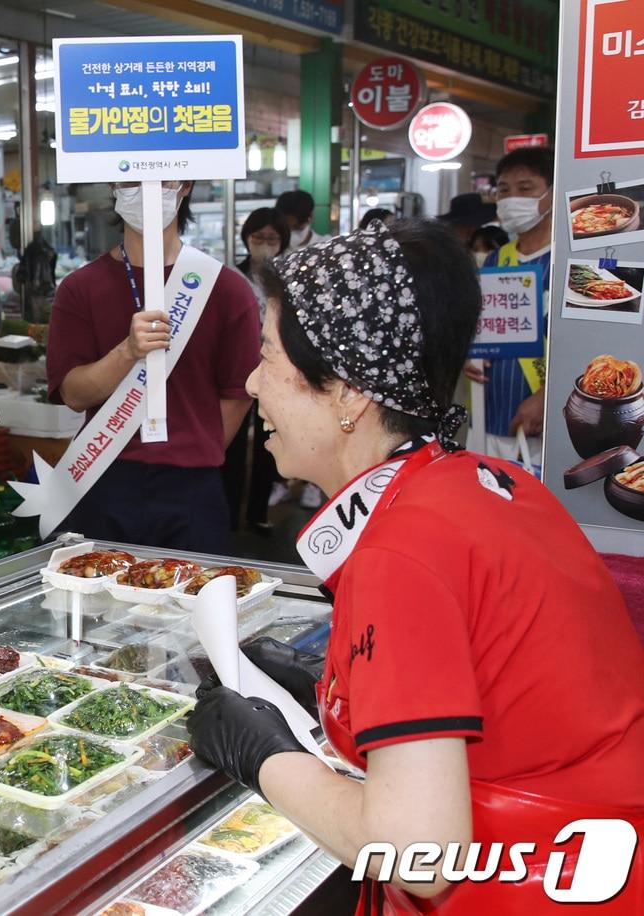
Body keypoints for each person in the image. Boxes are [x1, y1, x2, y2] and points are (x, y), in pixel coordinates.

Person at [187, 219, 644, 914]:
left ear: (348, 391)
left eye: (269, 357)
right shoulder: (488, 482)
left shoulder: (400, 551)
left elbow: (415, 856)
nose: (250, 383)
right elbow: (505, 675)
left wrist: (264, 756)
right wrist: (331, 692)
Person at [46, 180, 259, 553]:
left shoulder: (226, 289)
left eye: (165, 179)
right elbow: (73, 394)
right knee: (100, 605)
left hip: (194, 487)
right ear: (113, 185)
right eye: (132, 178)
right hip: (103, 476)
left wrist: (188, 447)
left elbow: (237, 395)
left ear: (185, 187)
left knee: (194, 604)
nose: (146, 189)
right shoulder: (79, 288)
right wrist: (126, 352)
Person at [464, 146, 554, 467]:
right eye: (504, 190)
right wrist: (468, 355)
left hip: (546, 429)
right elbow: (478, 325)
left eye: (525, 189)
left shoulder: (569, 264)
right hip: (490, 417)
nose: (512, 199)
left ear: (553, 194)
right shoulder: (494, 260)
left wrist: (548, 397)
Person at [223, 208, 287, 531]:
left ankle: (259, 512)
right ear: (246, 238)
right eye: (258, 237)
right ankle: (229, 513)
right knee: (233, 445)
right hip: (237, 370)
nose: (264, 244)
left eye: (272, 239)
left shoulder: (288, 277)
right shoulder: (231, 276)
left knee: (268, 442)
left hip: (276, 372)